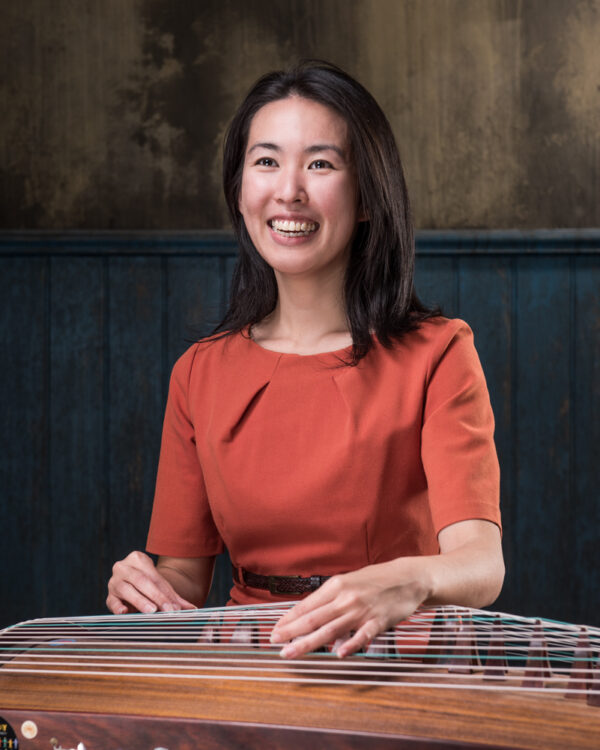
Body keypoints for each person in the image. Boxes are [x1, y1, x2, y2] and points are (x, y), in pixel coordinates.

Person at [107, 60, 504, 659]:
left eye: (320, 163)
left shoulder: (439, 351)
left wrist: (402, 582)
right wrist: (145, 591)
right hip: (254, 659)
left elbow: (481, 562)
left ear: (368, 195)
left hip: (398, 657)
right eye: (266, 161)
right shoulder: (199, 372)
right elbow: (184, 581)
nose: (288, 189)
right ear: (240, 188)